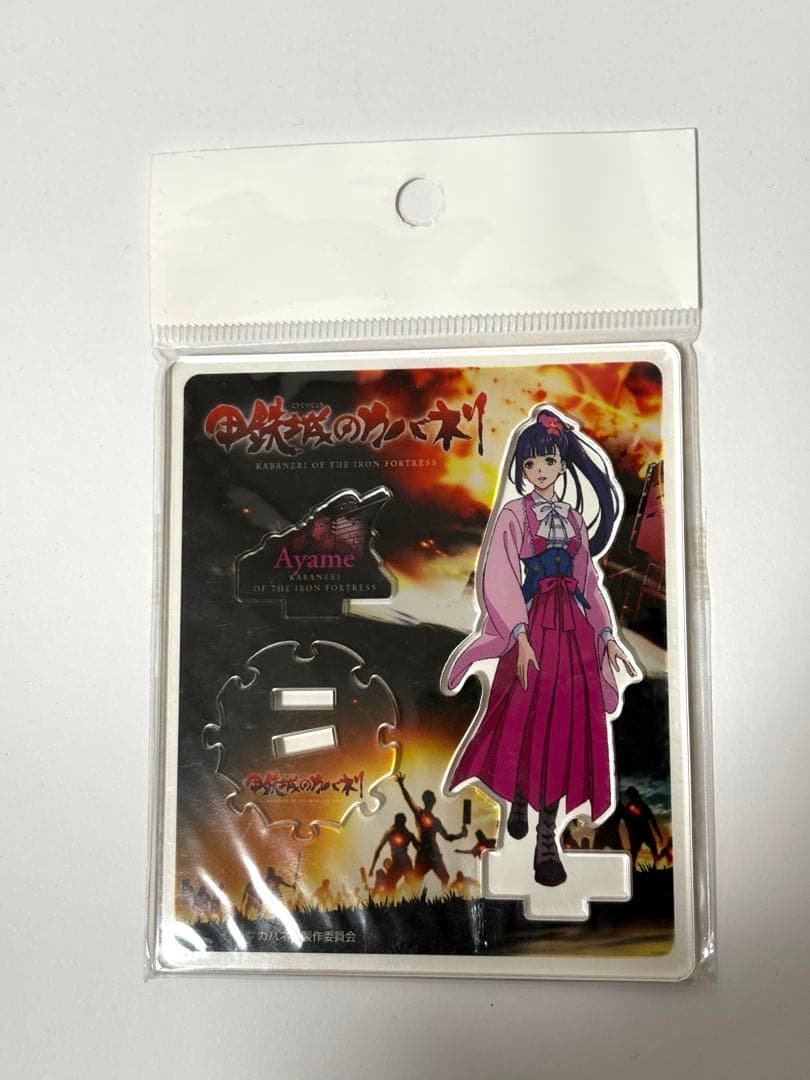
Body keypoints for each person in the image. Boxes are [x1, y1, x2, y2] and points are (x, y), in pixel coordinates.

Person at [444, 407, 638, 887]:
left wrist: (607, 637)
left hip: (573, 633)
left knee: (566, 725)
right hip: (530, 628)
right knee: (523, 717)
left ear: (561, 464)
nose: (539, 471)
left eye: (548, 461)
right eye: (530, 464)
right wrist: (518, 634)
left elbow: (588, 582)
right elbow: (499, 574)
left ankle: (546, 836)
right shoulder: (514, 515)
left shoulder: (573, 520)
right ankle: (518, 794)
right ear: (522, 469)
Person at [396, 772, 467, 887]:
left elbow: (447, 837)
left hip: (432, 853)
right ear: (427, 800)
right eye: (429, 798)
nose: (430, 800)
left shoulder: (435, 821)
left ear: (433, 801)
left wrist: (461, 834)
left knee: (444, 877)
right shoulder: (420, 814)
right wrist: (401, 785)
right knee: (416, 881)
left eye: (431, 798)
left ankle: (445, 896)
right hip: (425, 853)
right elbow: (409, 800)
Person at [370, 812, 419, 890]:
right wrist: (372, 868)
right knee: (389, 884)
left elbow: (418, 847)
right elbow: (378, 850)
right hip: (398, 863)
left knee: (411, 881)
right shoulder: (390, 833)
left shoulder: (408, 834)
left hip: (405, 861)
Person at [624, 786, 664, 868]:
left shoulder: (641, 805)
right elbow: (628, 822)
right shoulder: (631, 807)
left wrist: (658, 833)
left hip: (644, 832)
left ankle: (655, 867)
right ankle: (633, 868)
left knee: (653, 849)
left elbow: (652, 819)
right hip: (638, 833)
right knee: (635, 852)